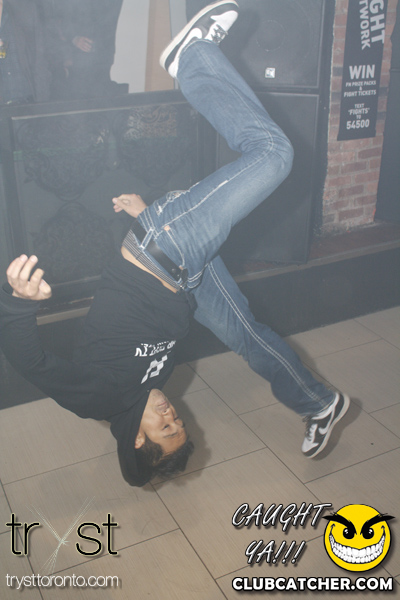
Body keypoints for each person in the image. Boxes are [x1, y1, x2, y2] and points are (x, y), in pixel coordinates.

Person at [0, 1, 350, 487]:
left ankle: (192, 58)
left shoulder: (97, 398)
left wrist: (19, 303)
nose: (171, 413)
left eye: (164, 427)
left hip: (168, 246)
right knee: (246, 336)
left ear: (135, 439)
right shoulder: (151, 388)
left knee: (274, 153)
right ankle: (318, 403)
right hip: (187, 275)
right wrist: (145, 212)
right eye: (178, 422)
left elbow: (29, 362)